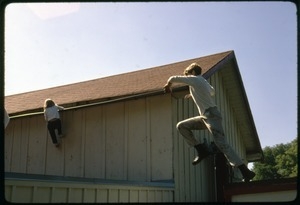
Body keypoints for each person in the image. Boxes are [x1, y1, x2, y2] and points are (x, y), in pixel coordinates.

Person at [163, 63, 255, 182]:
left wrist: (168, 85)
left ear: (193, 72)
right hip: (205, 116)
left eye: (188, 74)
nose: (188, 77)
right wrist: (194, 94)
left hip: (211, 115)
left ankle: (244, 170)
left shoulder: (194, 79)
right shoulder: (204, 82)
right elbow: (212, 92)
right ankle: (201, 150)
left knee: (221, 143)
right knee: (181, 126)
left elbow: (172, 78)